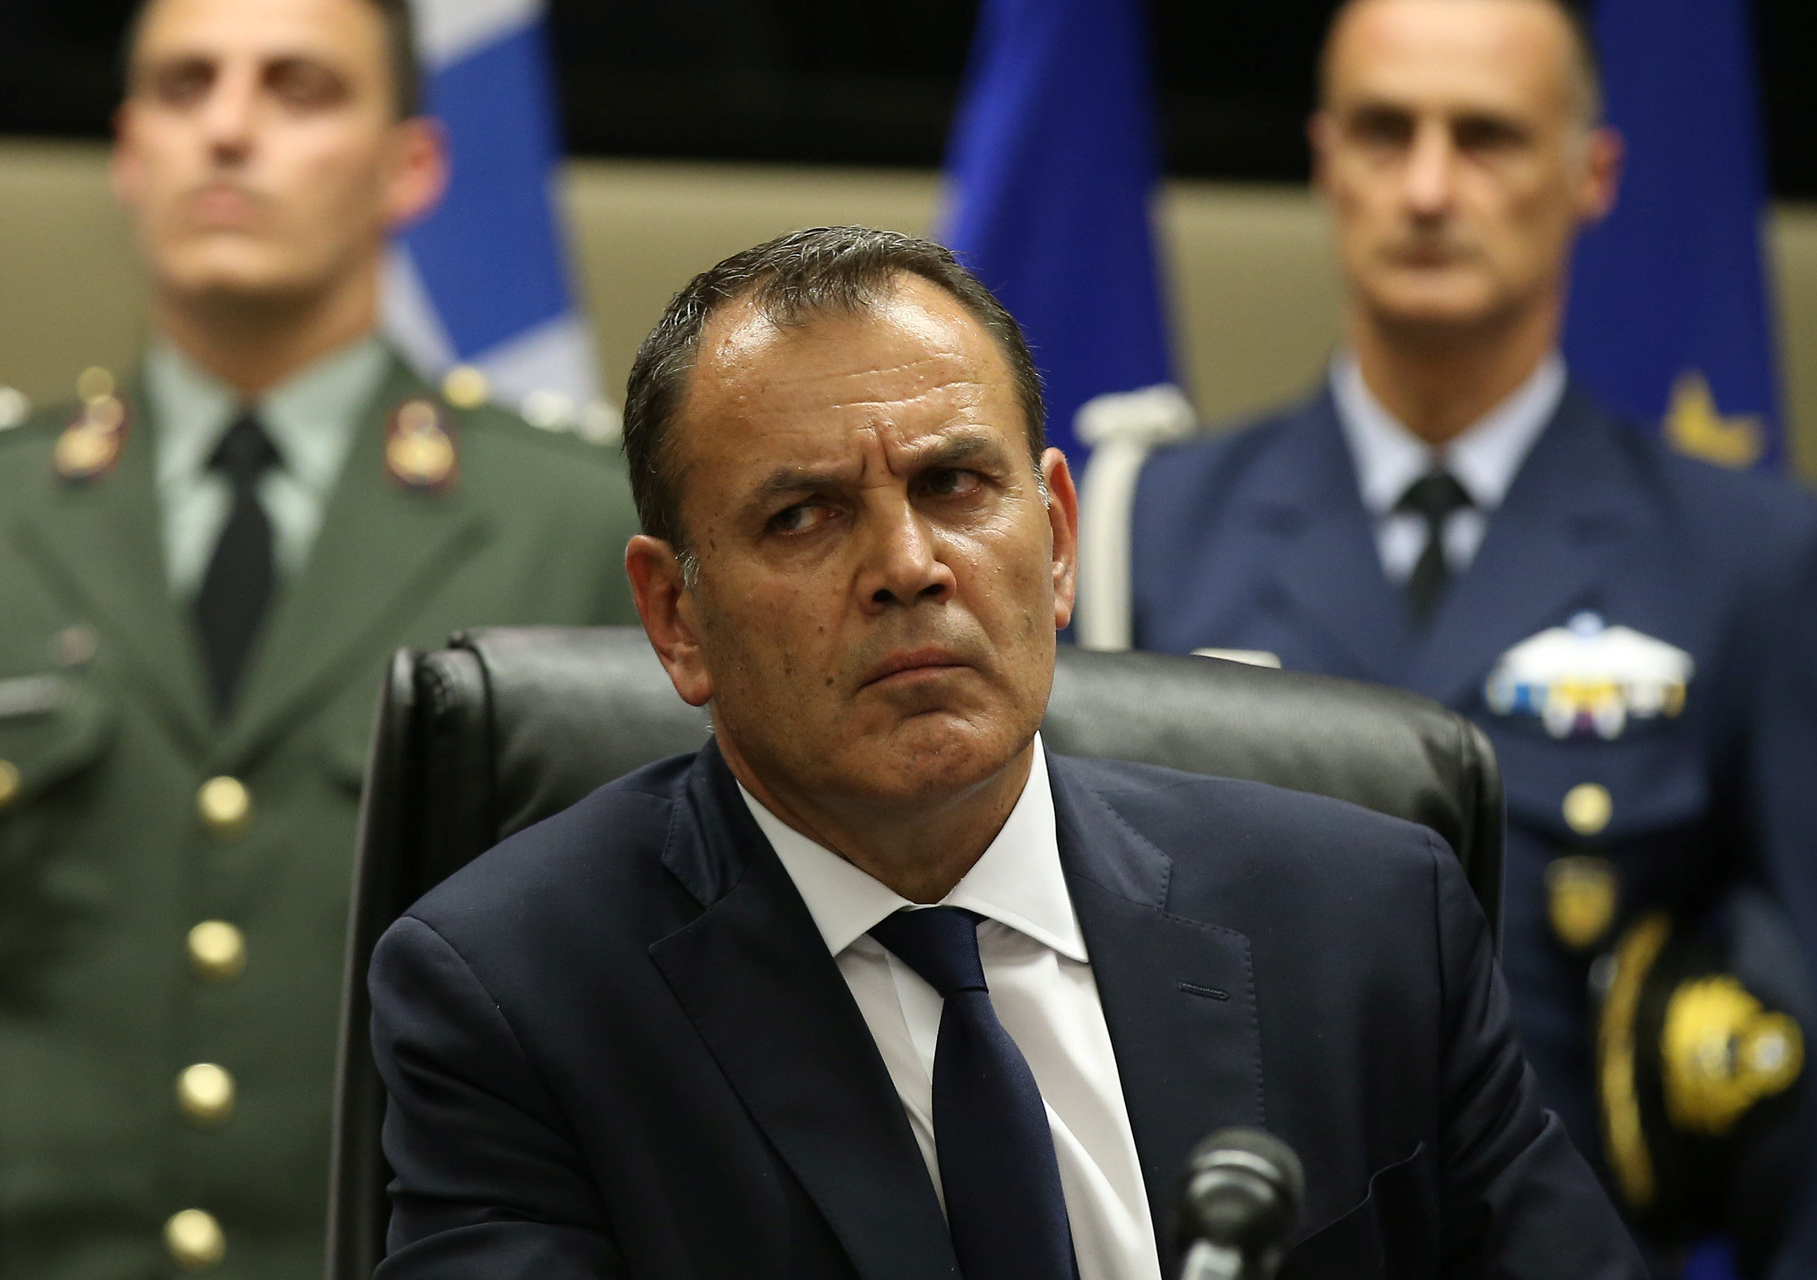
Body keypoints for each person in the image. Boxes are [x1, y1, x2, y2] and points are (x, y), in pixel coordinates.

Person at [366, 225, 1644, 1279]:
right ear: (674, 616)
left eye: (955, 486)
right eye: (803, 515)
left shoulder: (1366, 927)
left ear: (1060, 540)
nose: (907, 565)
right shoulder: (520, 999)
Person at [0, 0, 636, 1274]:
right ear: (129, 151)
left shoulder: (581, 527)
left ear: (411, 166)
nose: (229, 129)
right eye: (186, 86)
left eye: (298, 88)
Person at [1126, 0, 1817, 1270]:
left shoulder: (1751, 559)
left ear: (1592, 173)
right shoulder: (1149, 526)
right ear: (1326, 160)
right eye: (1386, 131)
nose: (1430, 188)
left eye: (1487, 136)